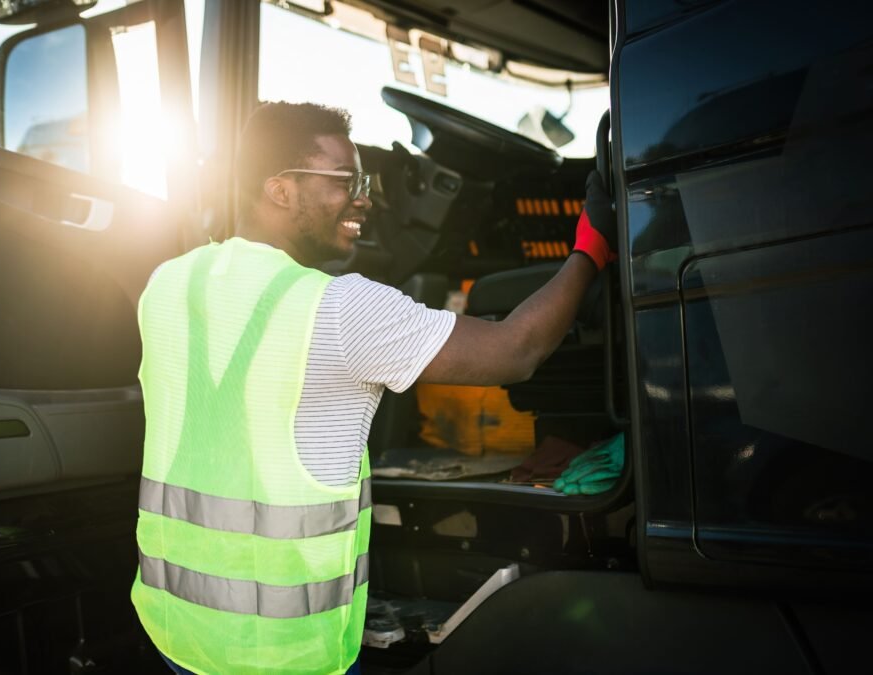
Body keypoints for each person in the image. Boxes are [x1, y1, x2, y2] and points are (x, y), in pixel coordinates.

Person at [131, 102, 616, 675]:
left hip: (178, 631)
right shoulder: (336, 308)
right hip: (287, 656)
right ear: (280, 190)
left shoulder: (166, 284)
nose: (366, 198)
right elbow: (518, 349)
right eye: (346, 181)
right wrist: (592, 247)